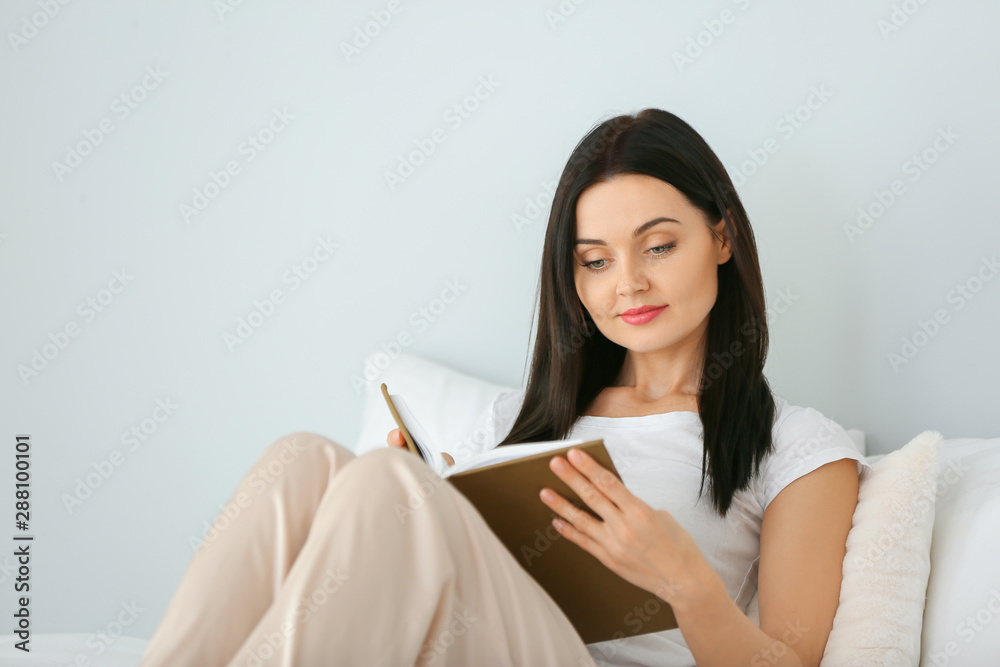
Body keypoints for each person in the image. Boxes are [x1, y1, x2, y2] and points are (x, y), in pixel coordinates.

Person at [140, 108, 869, 667]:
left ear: (721, 237)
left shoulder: (796, 447)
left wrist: (687, 582)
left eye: (657, 245)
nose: (629, 284)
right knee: (305, 461)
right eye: (594, 261)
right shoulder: (515, 421)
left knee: (388, 486)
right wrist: (407, 510)